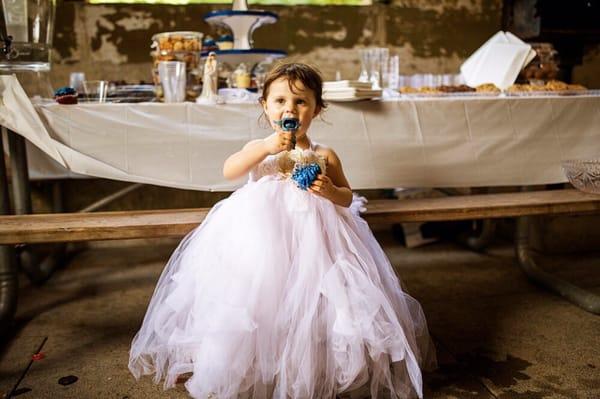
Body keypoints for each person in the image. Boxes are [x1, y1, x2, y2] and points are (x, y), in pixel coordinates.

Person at [129, 62, 436, 399]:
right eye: (279, 101)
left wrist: (329, 191)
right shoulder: (257, 147)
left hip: (316, 239)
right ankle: (249, 359)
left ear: (317, 108)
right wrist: (265, 148)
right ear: (265, 106)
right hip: (261, 238)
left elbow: (348, 197)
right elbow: (230, 170)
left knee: (318, 298)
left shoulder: (324, 154)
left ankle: (313, 362)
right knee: (255, 297)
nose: (290, 109)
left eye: (301, 102)